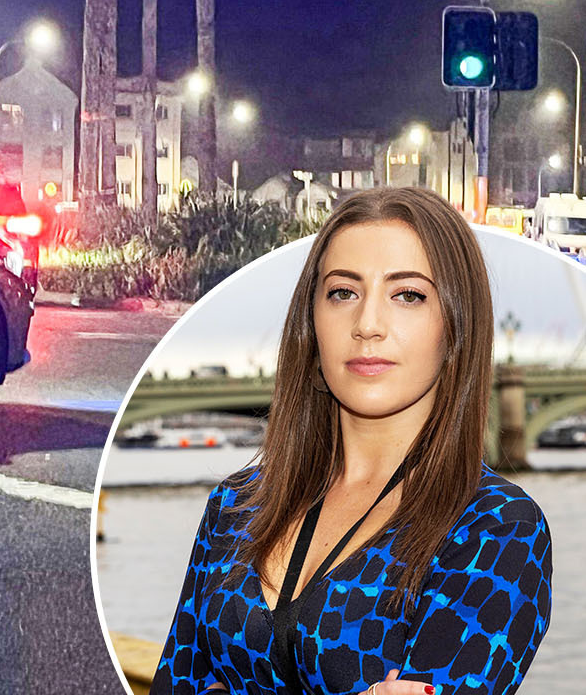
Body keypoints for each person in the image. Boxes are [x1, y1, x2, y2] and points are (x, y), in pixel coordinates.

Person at [151, 186, 551, 695]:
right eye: (343, 292)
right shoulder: (233, 508)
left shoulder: (498, 530)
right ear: (311, 323)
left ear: (455, 330)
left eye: (408, 295)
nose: (367, 325)